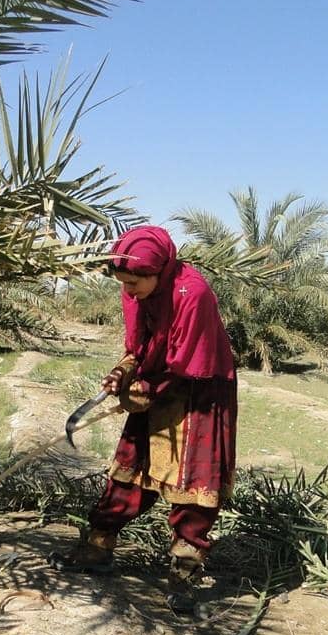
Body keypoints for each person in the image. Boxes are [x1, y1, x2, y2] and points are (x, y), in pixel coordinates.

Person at [50, 226, 237, 611]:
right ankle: (97, 549)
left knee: (192, 482)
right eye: (124, 284)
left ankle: (183, 575)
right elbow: (140, 347)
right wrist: (122, 373)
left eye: (134, 283)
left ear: (159, 271)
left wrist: (146, 390)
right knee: (130, 467)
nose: (129, 292)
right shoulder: (137, 291)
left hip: (199, 390)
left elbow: (186, 360)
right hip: (153, 383)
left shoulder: (192, 293)